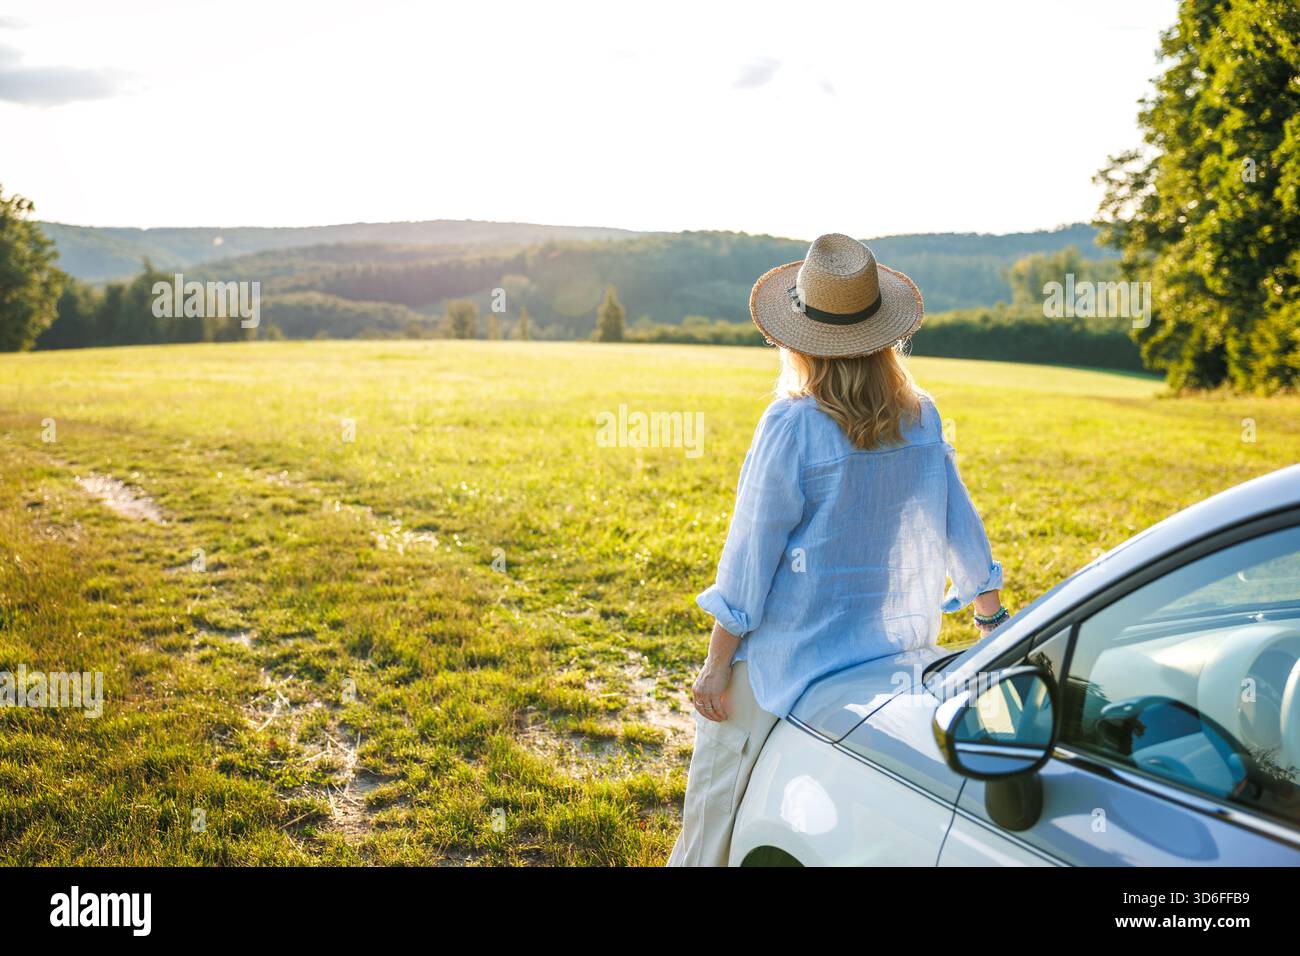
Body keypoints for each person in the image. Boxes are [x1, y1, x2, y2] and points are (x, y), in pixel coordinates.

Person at [667, 233, 1006, 867]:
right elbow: (963, 527)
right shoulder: (922, 416)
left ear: (797, 338)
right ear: (883, 336)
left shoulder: (791, 423)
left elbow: (749, 559)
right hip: (888, 662)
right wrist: (993, 628)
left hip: (784, 672)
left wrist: (717, 666)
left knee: (712, 822)